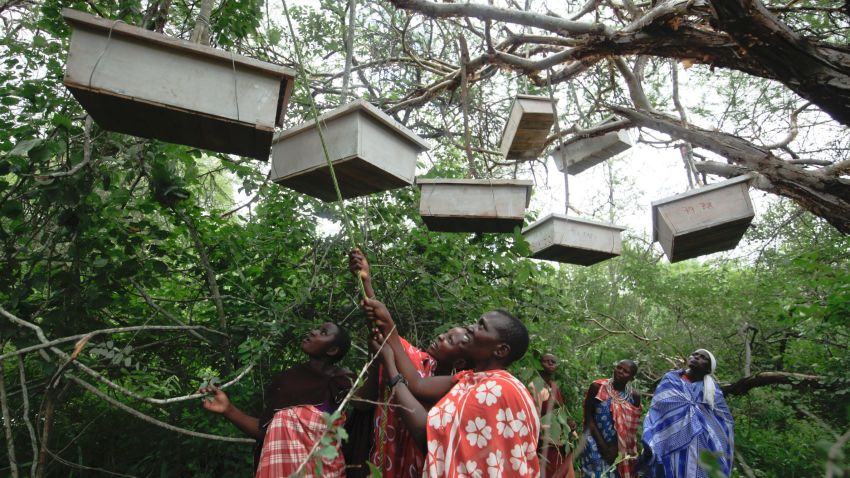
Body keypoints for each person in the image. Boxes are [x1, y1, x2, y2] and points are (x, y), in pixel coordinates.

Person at [363, 298, 541, 478]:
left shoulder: (498, 389)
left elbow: (425, 434)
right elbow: (417, 384)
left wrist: (390, 366)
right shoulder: (469, 379)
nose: (471, 327)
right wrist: (388, 324)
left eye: (482, 326)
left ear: (501, 350)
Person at [349, 249, 470, 478]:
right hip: (383, 457)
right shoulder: (417, 359)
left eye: (450, 340)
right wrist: (366, 282)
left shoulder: (458, 387)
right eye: (445, 333)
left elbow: (390, 336)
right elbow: (385, 331)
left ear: (461, 360)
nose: (441, 337)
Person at [199, 322, 353, 478]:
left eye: (324, 333)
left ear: (332, 350)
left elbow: (367, 404)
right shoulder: (287, 380)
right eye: (316, 328)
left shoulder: (342, 382)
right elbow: (266, 432)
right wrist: (228, 409)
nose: (313, 332)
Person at [640, 349, 734, 478]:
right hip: (670, 438)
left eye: (702, 357)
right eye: (694, 354)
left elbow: (724, 421)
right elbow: (658, 406)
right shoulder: (671, 379)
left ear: (708, 368)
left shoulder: (713, 392)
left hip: (701, 445)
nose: (696, 357)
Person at [579, 359, 641, 478]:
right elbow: (588, 418)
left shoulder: (634, 396)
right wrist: (603, 446)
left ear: (631, 378)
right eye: (619, 367)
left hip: (618, 449)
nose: (620, 372)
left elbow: (630, 430)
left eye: (626, 371)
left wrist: (614, 448)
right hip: (594, 442)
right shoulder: (597, 387)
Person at [536, 353, 576, 478]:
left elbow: (560, 411)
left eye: (552, 362)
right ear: (539, 364)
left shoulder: (554, 386)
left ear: (557, 366)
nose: (549, 364)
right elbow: (534, 417)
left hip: (557, 440)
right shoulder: (535, 386)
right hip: (543, 440)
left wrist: (569, 423)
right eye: (545, 361)